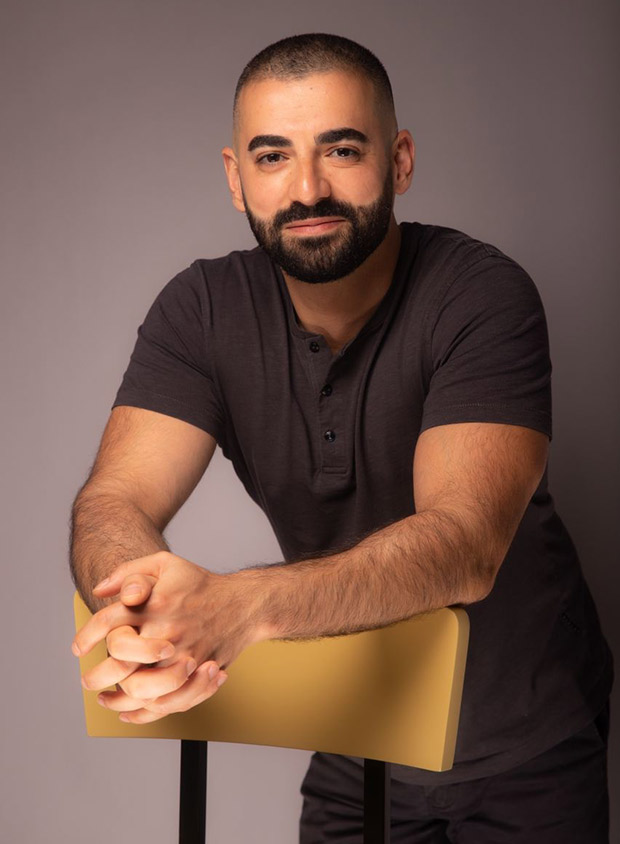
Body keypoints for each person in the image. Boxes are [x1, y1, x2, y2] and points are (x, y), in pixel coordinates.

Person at [70, 33, 612, 843]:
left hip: (524, 744)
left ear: (400, 161)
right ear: (236, 178)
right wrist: (134, 612)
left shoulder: (481, 294)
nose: (307, 189)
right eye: (273, 157)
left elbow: (465, 545)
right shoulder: (201, 309)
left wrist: (238, 607)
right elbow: (115, 500)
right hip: (354, 736)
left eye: (342, 150)